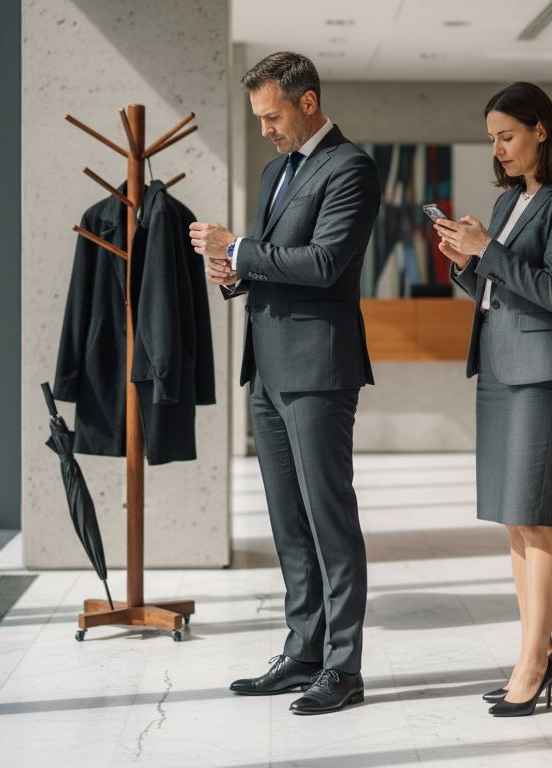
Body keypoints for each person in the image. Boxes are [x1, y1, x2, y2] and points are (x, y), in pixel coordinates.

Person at [188, 51, 380, 716]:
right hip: (266, 369)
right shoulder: (275, 171)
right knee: (287, 521)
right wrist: (235, 274)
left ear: (306, 101)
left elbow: (326, 262)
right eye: (258, 118)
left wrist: (240, 248)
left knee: (329, 518)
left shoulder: (351, 167)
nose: (266, 129)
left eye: (272, 116)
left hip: (320, 370)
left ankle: (343, 666)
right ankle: (303, 650)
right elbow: (278, 263)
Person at [433, 81, 552, 717]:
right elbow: (493, 287)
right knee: (514, 517)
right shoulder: (506, 206)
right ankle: (536, 649)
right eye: (492, 139)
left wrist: (490, 253)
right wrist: (463, 260)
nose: (498, 149)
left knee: (537, 516)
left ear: (541, 131)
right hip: (501, 366)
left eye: (506, 136)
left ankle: (534, 661)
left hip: (541, 370)